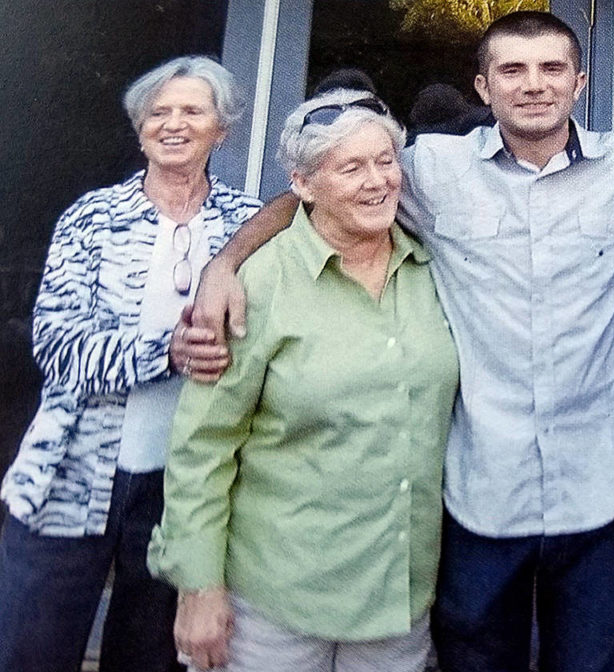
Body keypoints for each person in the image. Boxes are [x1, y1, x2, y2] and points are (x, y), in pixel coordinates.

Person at [175, 11, 614, 672]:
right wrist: (223, 265)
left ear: (579, 82)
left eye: (552, 68)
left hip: (600, 497)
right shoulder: (431, 170)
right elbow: (320, 188)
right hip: (479, 497)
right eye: (512, 70)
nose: (534, 84)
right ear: (483, 87)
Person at [147, 89, 459, 672]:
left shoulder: (434, 270)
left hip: (397, 599)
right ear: (303, 184)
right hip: (274, 604)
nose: (376, 181)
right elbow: (202, 446)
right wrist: (198, 585)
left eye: (385, 161)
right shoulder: (258, 284)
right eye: (351, 167)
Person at [0, 56, 261, 672]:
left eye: (192, 111)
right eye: (157, 112)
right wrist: (164, 352)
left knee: (148, 658)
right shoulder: (92, 219)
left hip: (182, 489)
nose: (173, 124)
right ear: (140, 129)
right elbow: (56, 345)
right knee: (29, 653)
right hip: (69, 477)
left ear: (221, 130)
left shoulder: (245, 225)